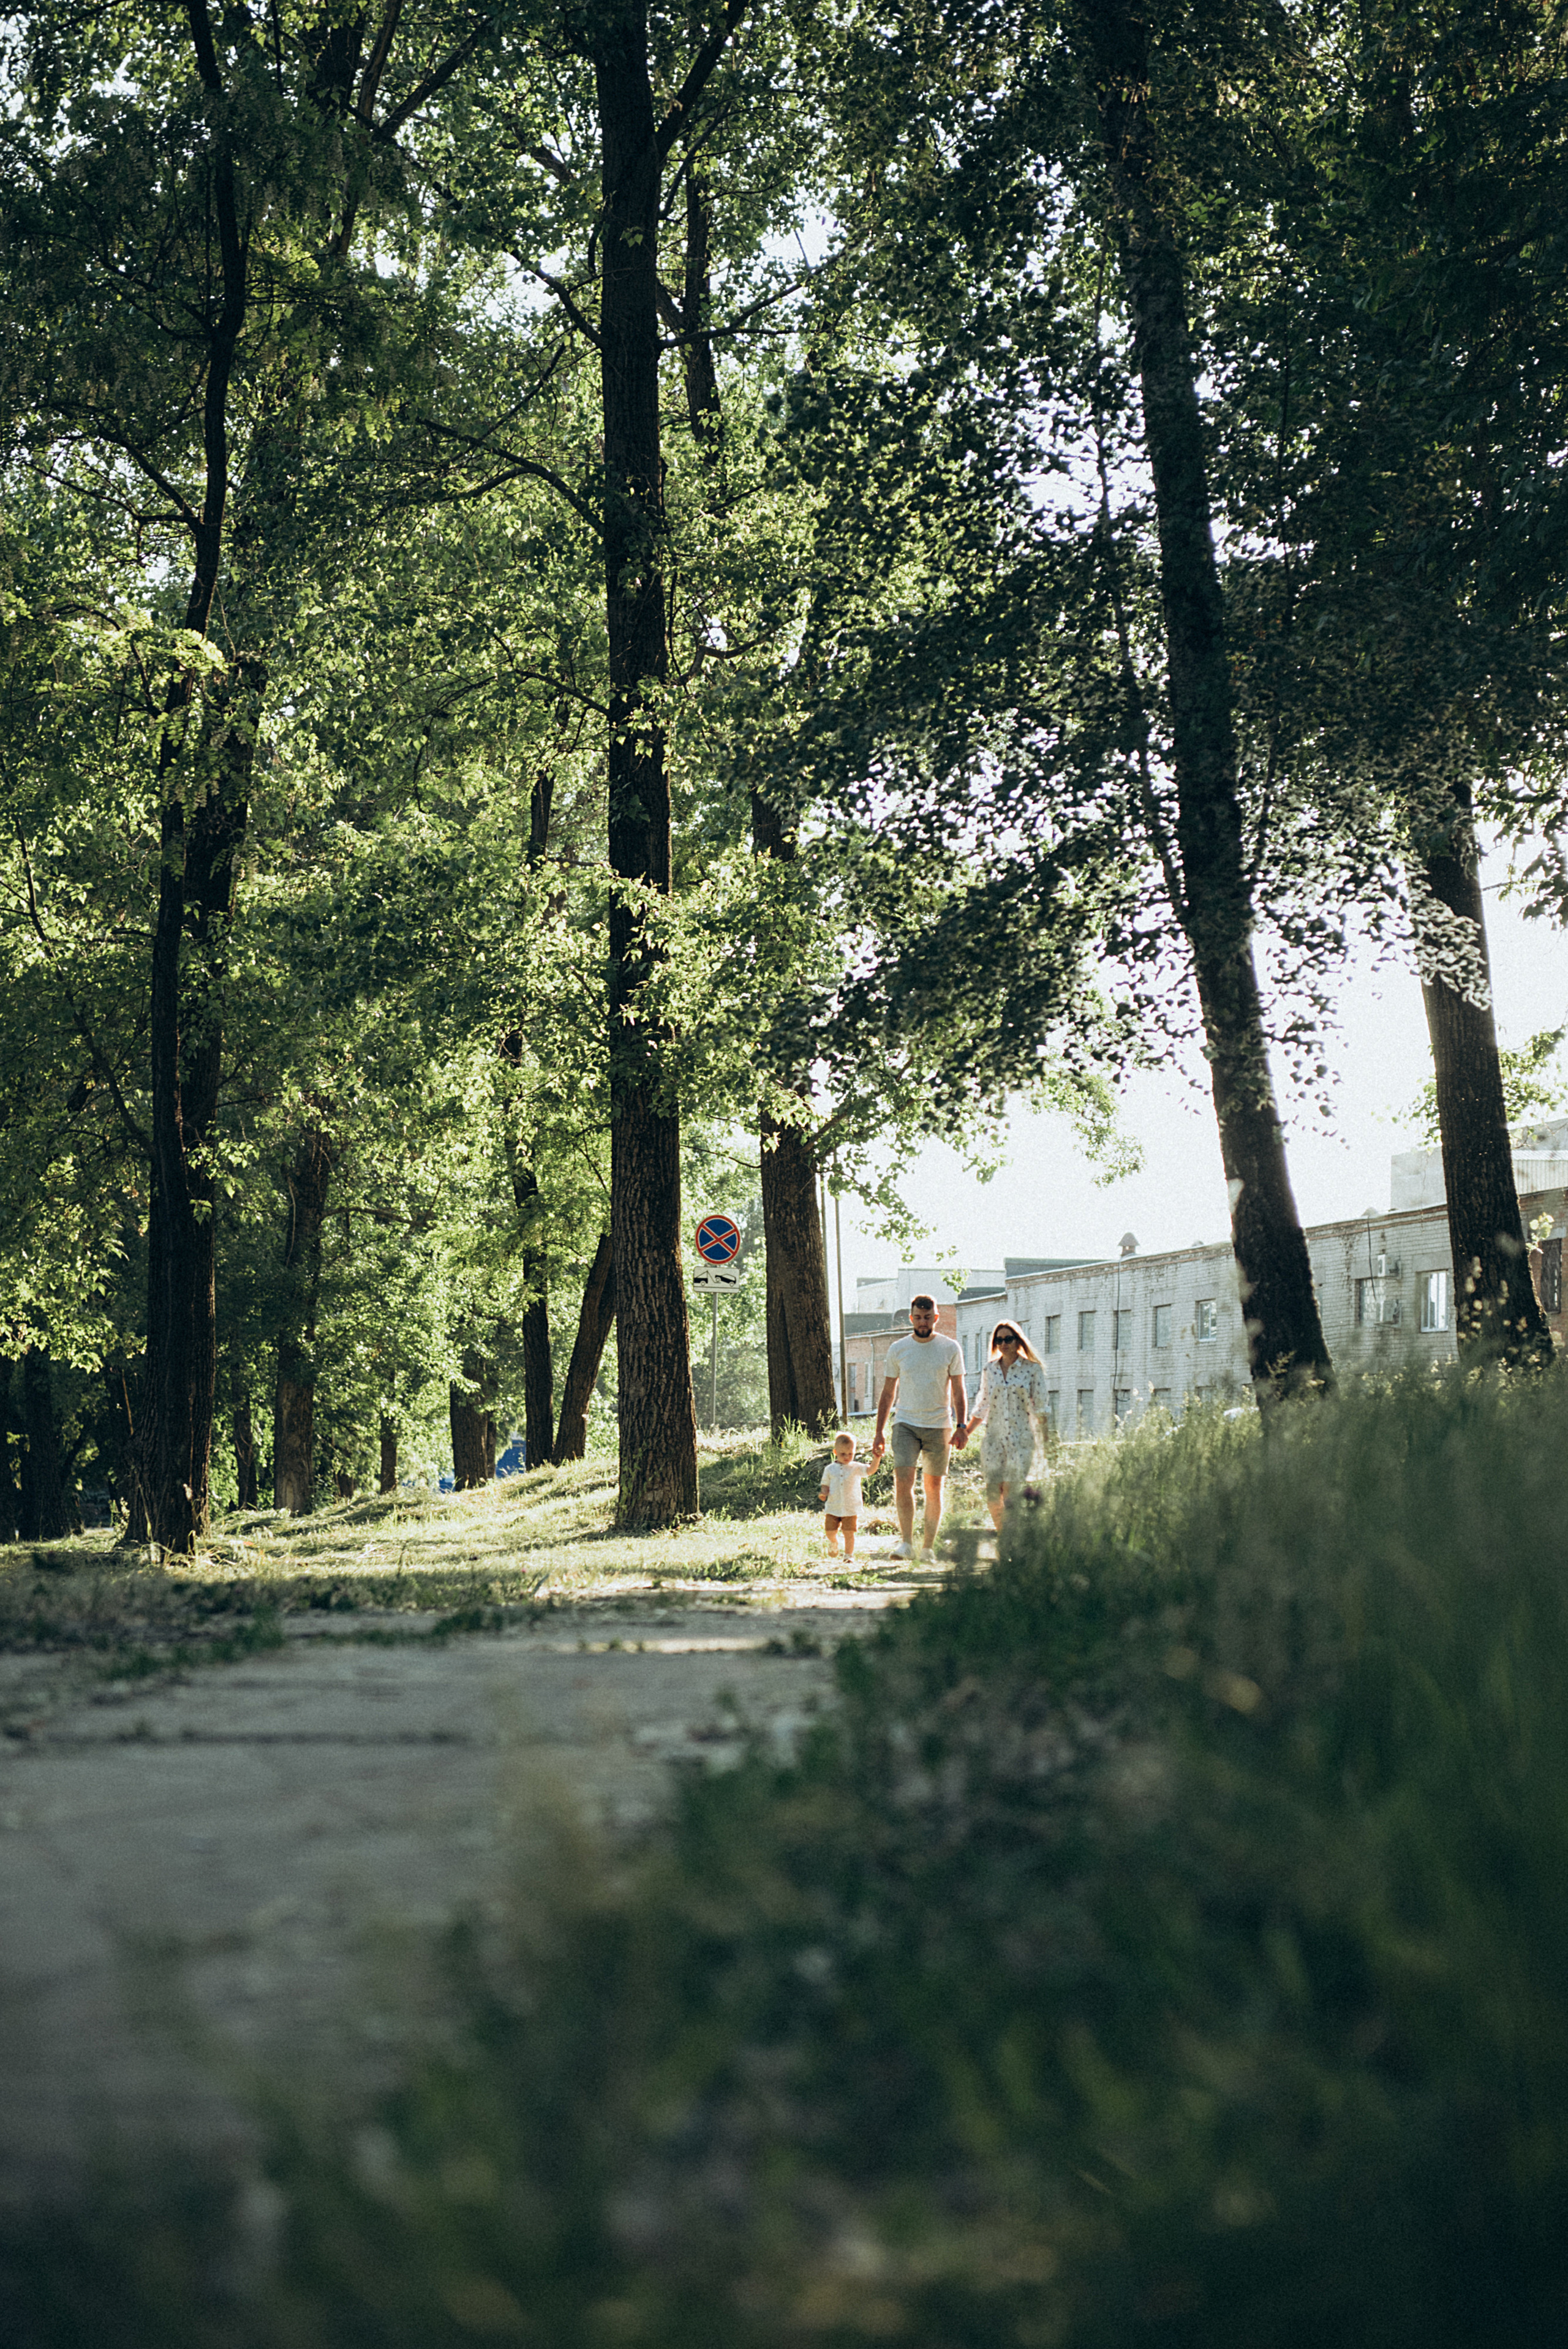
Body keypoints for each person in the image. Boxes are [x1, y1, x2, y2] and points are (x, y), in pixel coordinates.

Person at [869, 1294, 968, 1562]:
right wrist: (879, 1431)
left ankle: (927, 1548)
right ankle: (906, 1543)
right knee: (903, 1482)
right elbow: (888, 1393)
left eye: (928, 1317)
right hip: (906, 1424)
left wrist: (962, 1426)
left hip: (939, 1426)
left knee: (934, 1486)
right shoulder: (898, 1349)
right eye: (918, 1317)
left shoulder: (950, 1348)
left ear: (936, 1317)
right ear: (911, 1318)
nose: (923, 1322)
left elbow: (959, 1390)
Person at [964, 1318, 1049, 1529]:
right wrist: (965, 1433)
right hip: (993, 1441)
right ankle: (1005, 1540)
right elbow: (982, 1406)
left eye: (1008, 1339)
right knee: (994, 1494)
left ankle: (1011, 1543)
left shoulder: (1032, 1370)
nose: (1003, 1344)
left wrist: (1047, 1440)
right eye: (999, 1340)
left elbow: (1042, 1407)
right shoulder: (989, 1370)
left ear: (1018, 1341)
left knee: (1011, 1494)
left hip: (1021, 1441)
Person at [818, 1431, 867, 1559]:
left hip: (851, 1507)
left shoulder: (856, 1467)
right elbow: (825, 1484)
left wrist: (877, 1458)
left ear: (855, 1452)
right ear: (835, 1452)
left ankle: (848, 1555)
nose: (847, 1457)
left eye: (850, 1454)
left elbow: (871, 1470)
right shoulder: (830, 1469)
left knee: (849, 1532)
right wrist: (824, 1493)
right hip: (833, 1506)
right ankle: (834, 1542)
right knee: (830, 1532)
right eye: (843, 1454)